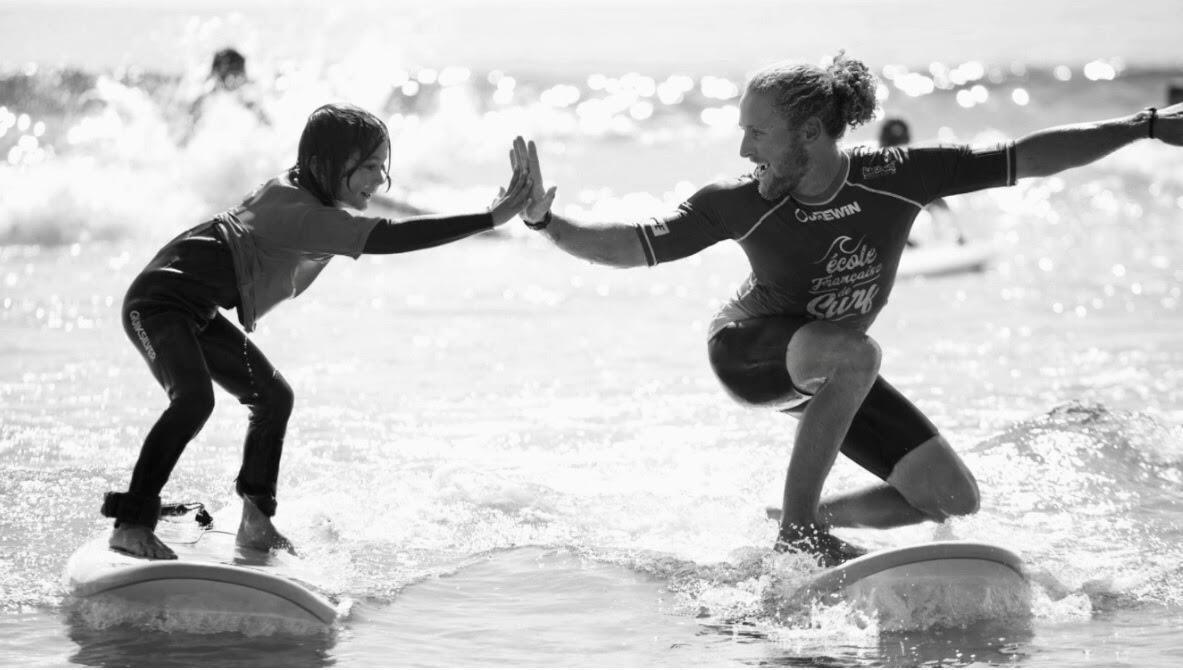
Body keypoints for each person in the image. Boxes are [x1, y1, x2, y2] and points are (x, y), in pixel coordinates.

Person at [517, 53, 1183, 567]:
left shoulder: (897, 177)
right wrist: (547, 221)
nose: (745, 150)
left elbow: (1023, 157)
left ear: (809, 132)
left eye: (757, 133)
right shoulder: (737, 200)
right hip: (748, 350)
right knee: (853, 354)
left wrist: (1143, 125)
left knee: (952, 496)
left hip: (832, 368)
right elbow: (633, 246)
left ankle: (800, 515)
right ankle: (797, 534)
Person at [103, 103, 534, 560]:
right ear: (321, 167)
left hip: (195, 310)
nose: (379, 180)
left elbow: (371, 221)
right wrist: (488, 218)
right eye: (368, 167)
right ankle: (131, 523)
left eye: (381, 168)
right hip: (157, 305)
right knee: (193, 401)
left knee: (273, 398)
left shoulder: (304, 195)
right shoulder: (304, 215)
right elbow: (393, 237)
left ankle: (255, 521)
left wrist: (482, 216)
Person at [878, 117, 964, 247]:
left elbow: (940, 204)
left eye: (901, 147)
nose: (897, 153)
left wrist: (958, 235)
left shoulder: (917, 167)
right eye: (894, 147)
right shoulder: (876, 172)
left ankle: (955, 237)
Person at [181, 47, 270, 145]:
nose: (233, 81)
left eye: (237, 77)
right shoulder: (206, 92)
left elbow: (254, 105)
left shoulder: (246, 90)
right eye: (231, 78)